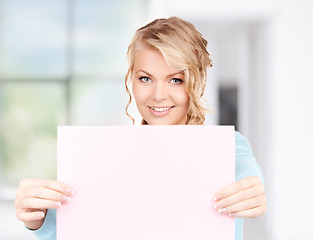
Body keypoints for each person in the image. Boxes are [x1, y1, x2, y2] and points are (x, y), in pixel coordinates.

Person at [15, 16, 266, 240]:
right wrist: (39, 220)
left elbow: (247, 174)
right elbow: (77, 229)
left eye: (176, 80)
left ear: (197, 83)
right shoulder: (106, 155)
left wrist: (253, 188)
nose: (158, 95)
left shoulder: (228, 147)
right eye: (145, 78)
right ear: (131, 80)